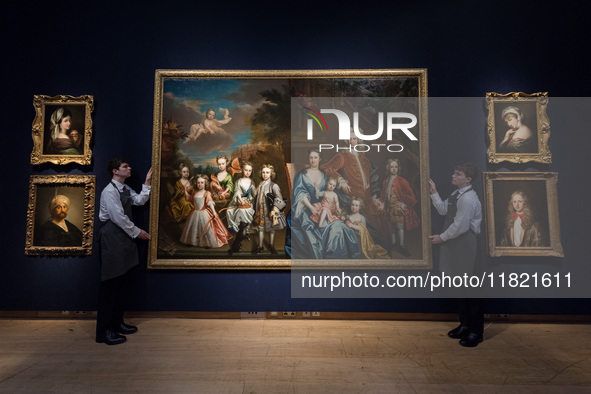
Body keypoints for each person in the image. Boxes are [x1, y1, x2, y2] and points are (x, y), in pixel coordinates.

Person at [96, 158, 152, 346]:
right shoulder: (109, 191)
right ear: (115, 171)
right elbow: (118, 218)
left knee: (120, 284)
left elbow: (139, 200)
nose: (129, 168)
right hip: (112, 237)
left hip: (122, 238)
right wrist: (138, 232)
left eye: (129, 165)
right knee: (110, 284)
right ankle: (104, 331)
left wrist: (147, 183)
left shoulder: (125, 189)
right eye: (125, 167)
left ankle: (117, 323)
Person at [429, 163, 483, 347]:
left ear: (468, 179)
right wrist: (434, 191)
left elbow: (460, 226)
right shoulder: (456, 194)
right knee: (458, 287)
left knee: (470, 290)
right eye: (454, 172)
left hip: (464, 245)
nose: (453, 175)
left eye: (458, 174)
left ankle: (476, 332)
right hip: (454, 244)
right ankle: (465, 325)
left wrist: (441, 238)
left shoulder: (468, 199)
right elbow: (444, 210)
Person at [291, 148, 359, 259]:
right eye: (311, 157)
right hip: (307, 208)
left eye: (315, 157)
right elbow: (300, 193)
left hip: (324, 207)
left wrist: (335, 208)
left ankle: (335, 260)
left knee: (339, 228)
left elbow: (331, 193)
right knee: (314, 229)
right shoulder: (302, 174)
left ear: (320, 159)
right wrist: (311, 208)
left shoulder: (324, 175)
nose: (313, 160)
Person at [378, 158, 420, 257]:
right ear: (388, 168)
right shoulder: (386, 181)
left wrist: (403, 204)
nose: (394, 169)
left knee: (399, 227)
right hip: (389, 208)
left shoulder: (402, 181)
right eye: (392, 167)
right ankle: (393, 244)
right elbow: (384, 194)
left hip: (398, 208)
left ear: (398, 168)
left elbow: (412, 196)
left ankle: (401, 246)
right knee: (391, 226)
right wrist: (382, 204)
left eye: (395, 167)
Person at [180, 174, 231, 248]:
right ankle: (191, 241)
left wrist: (214, 212)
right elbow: (189, 198)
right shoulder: (195, 192)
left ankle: (207, 243)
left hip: (204, 213)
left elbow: (210, 203)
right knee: (193, 228)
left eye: (202, 183)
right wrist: (185, 190)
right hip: (194, 213)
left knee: (206, 228)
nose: (200, 184)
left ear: (205, 183)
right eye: (198, 183)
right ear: (196, 183)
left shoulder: (207, 193)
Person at [251, 164, 287, 255]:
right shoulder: (260, 184)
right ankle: (260, 246)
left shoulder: (274, 185)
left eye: (267, 172)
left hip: (270, 211)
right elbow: (256, 197)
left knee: (272, 228)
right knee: (261, 228)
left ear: (271, 174)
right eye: (263, 172)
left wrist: (274, 209)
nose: (265, 174)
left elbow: (279, 198)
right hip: (261, 210)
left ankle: (271, 245)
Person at [226, 161, 256, 255]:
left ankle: (237, 243)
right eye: (246, 170)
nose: (247, 172)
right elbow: (237, 192)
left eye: (249, 171)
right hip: (240, 202)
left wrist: (253, 199)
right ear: (242, 170)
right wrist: (241, 199)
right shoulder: (239, 181)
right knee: (240, 214)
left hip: (249, 203)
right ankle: (239, 241)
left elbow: (254, 194)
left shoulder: (251, 182)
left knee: (247, 216)